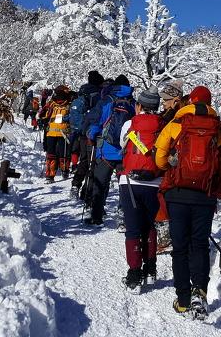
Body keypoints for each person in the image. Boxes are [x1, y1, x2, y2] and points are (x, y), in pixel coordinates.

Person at [154, 86, 221, 319]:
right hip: (204, 196)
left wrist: (172, 167)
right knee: (199, 244)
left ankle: (183, 300)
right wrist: (214, 181)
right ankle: (200, 292)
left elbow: (159, 158)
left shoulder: (175, 124)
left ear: (190, 101)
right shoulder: (219, 130)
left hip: (177, 194)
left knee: (180, 247)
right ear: (209, 103)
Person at [117, 89, 163, 288]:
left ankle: (134, 275)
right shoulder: (163, 125)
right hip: (155, 182)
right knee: (149, 226)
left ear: (139, 106)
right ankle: (150, 269)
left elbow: (122, 145)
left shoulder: (130, 125)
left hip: (130, 183)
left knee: (133, 229)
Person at [84, 75, 134, 226]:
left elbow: (95, 122)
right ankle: (124, 216)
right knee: (124, 186)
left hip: (105, 150)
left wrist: (91, 135)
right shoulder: (133, 103)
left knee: (100, 183)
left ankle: (96, 215)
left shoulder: (106, 101)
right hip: (125, 152)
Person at [69, 70, 104, 197]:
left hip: (83, 132)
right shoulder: (98, 95)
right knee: (93, 162)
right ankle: (88, 190)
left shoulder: (82, 92)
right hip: (94, 132)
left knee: (84, 160)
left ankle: (75, 184)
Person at [39, 85, 73, 183]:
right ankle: (65, 171)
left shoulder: (51, 103)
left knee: (51, 154)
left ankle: (50, 175)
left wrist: (43, 121)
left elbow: (42, 114)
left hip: (51, 132)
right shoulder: (69, 104)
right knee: (64, 153)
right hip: (64, 132)